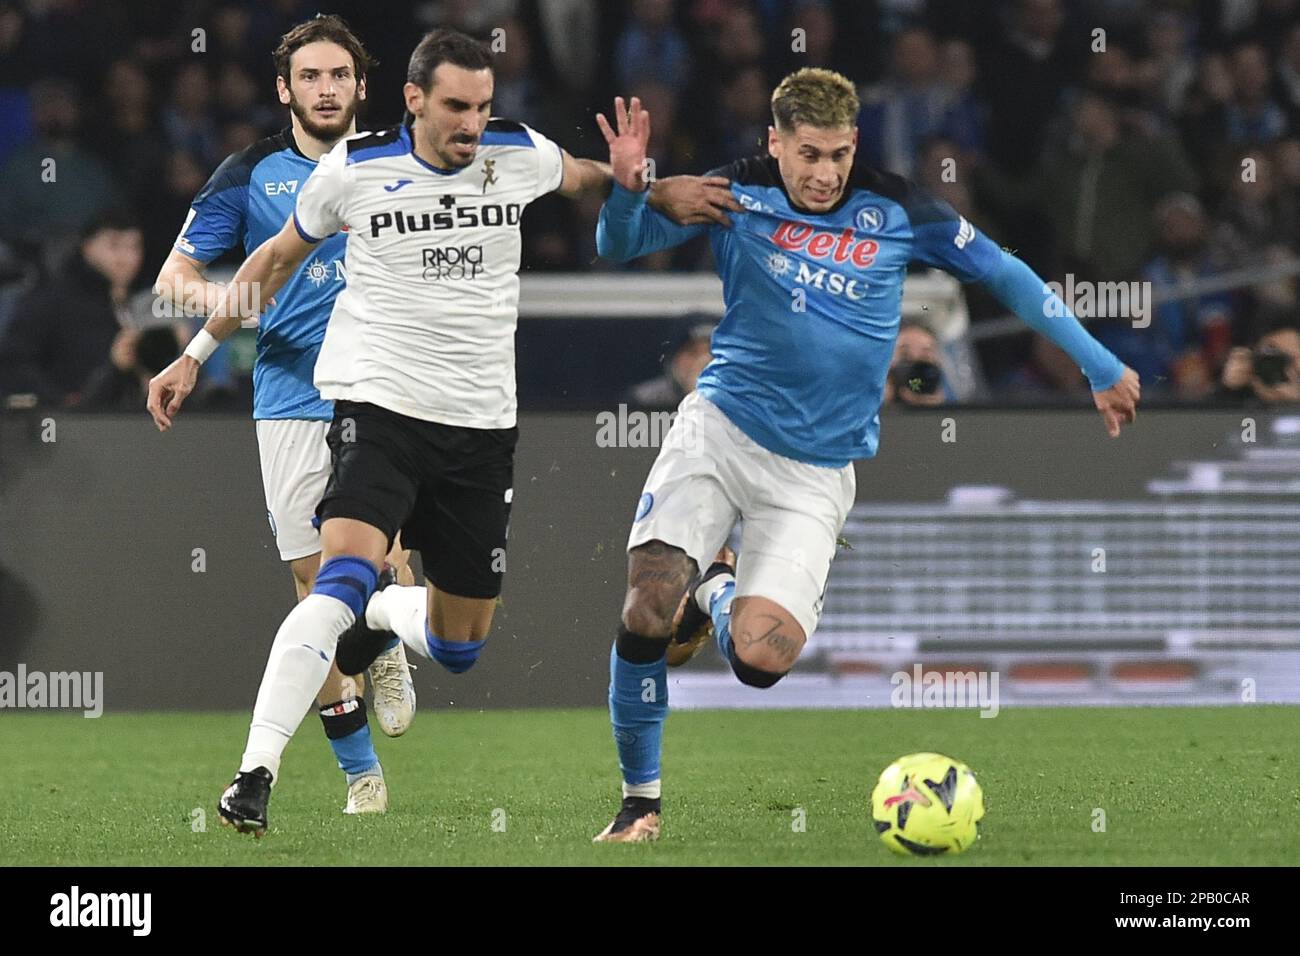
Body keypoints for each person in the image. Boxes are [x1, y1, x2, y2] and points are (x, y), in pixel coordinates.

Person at [147, 27, 740, 837]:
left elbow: (589, 179)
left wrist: (653, 186)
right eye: (456, 106)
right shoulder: (343, 172)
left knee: (459, 645)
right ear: (414, 100)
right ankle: (257, 773)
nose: (470, 122)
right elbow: (270, 261)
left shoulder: (516, 152)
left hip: (476, 428)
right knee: (328, 580)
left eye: (483, 106)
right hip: (365, 404)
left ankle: (387, 619)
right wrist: (197, 350)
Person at [591, 67, 1140, 842]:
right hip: (719, 427)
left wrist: (1099, 362)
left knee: (761, 659)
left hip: (814, 470)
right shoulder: (734, 191)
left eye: (838, 155)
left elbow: (1005, 272)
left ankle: (713, 590)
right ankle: (639, 804)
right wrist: (627, 189)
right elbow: (618, 244)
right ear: (773, 142)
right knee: (646, 605)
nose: (824, 173)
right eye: (808, 154)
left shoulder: (899, 209)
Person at [150, 15, 417, 819]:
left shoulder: (398, 164)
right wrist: (227, 309)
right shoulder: (249, 174)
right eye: (311, 77)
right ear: (285, 89)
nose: (327, 88)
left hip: (378, 384)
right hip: (289, 394)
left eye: (340, 75)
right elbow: (171, 278)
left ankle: (389, 640)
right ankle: (361, 772)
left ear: (361, 86)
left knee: (378, 551)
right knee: (311, 588)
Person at [0, 209, 143, 405]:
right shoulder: (51, 298)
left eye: (134, 247)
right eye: (114, 245)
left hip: (130, 422)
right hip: (66, 426)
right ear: (87, 246)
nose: (126, 258)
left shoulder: (144, 303)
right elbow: (14, 362)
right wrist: (59, 402)